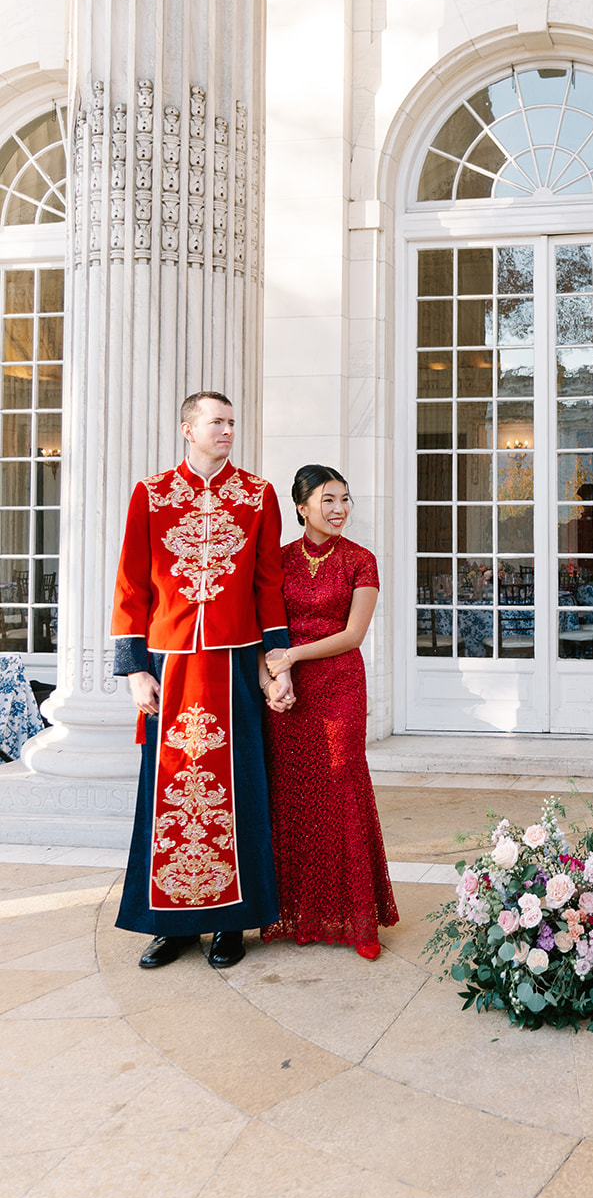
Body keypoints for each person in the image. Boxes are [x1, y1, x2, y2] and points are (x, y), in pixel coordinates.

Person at [111, 391, 294, 969]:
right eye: (217, 422)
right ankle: (172, 926)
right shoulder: (151, 493)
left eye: (232, 422)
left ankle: (232, 923)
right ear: (188, 429)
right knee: (168, 789)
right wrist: (134, 668)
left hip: (236, 661)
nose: (228, 430)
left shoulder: (258, 494)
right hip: (168, 662)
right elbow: (131, 582)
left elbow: (268, 584)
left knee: (238, 786)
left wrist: (277, 661)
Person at [261, 465, 397, 958]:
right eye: (328, 500)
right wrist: (272, 680)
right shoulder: (277, 561)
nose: (339, 509)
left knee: (342, 787)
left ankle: (358, 921)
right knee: (291, 793)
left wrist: (292, 656)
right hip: (288, 692)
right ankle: (296, 913)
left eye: (344, 499)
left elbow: (353, 635)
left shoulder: (361, 560)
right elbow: (260, 631)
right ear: (301, 507)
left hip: (340, 687)